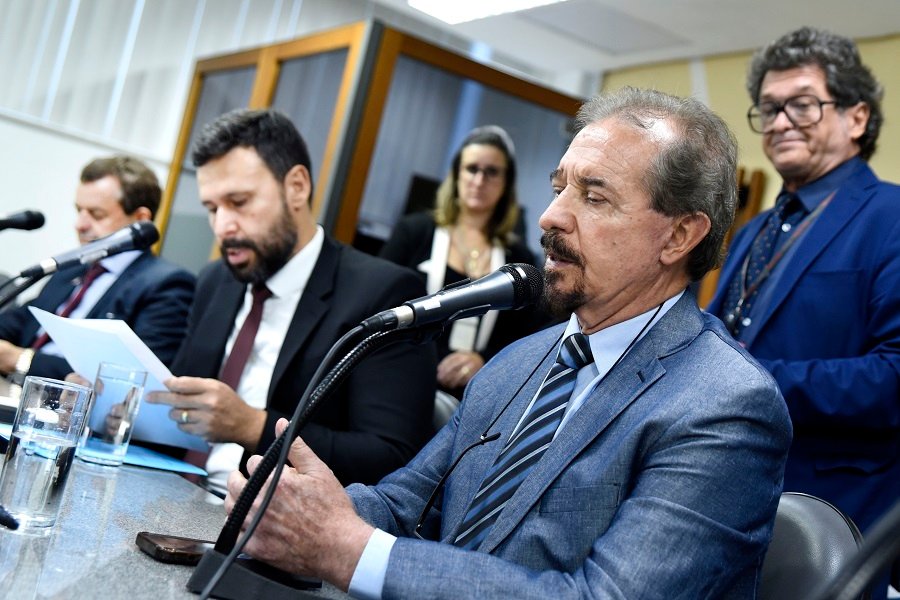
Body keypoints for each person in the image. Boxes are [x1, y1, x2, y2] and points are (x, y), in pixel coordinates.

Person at [225, 88, 793, 598]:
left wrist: (346, 549)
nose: (549, 217)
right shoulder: (519, 361)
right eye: (558, 189)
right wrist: (292, 509)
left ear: (679, 235)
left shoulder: (726, 405)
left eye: (594, 197)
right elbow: (405, 503)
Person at [146, 109, 437, 495]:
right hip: (172, 493)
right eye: (212, 209)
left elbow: (390, 457)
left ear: (297, 187)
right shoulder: (216, 281)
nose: (223, 226)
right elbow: (181, 409)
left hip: (266, 516)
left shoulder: (383, 293)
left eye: (239, 201)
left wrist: (253, 426)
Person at [707, 27, 900, 554]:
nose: (780, 122)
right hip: (722, 495)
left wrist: (753, 381)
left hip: (830, 515)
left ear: (856, 118)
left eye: (803, 105)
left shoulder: (891, 216)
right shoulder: (752, 229)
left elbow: (894, 376)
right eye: (769, 109)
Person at [379, 126, 554, 398]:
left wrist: (484, 359)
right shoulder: (414, 232)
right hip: (401, 378)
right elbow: (380, 304)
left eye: (492, 172)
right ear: (456, 174)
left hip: (475, 392)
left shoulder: (518, 256)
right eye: (472, 168)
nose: (480, 180)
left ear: (506, 183)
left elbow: (529, 335)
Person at [0, 156, 195, 386]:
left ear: (140, 219)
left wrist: (20, 359)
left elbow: (131, 377)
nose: (80, 225)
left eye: (96, 214)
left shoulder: (167, 284)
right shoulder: (71, 268)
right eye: (79, 210)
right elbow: (21, 320)